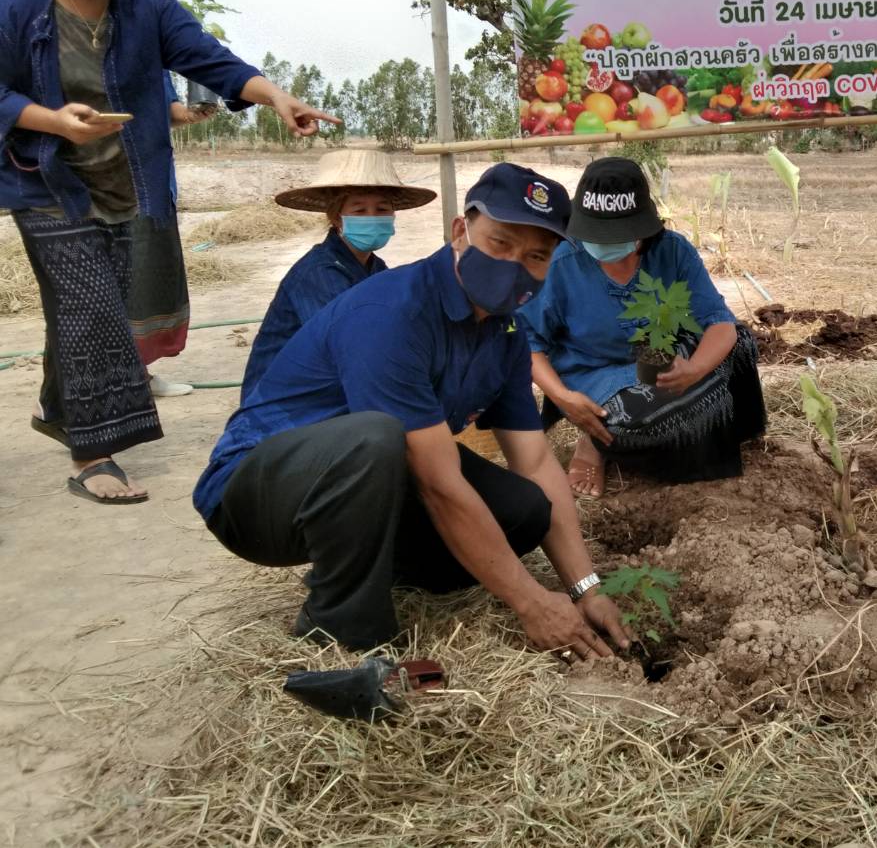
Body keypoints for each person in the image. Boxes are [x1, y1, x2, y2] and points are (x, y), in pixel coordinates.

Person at [0, 0, 338, 505]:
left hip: (130, 183)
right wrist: (51, 120)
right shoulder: (14, 10)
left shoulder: (148, 7)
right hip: (48, 183)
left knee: (90, 305)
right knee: (90, 307)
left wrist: (274, 95)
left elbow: (209, 58)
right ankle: (93, 455)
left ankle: (56, 404)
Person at [193, 163, 629, 657]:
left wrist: (586, 589)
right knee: (379, 438)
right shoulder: (391, 314)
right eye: (500, 243)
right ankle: (338, 633)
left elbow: (534, 461)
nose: (514, 265)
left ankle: (380, 568)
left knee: (524, 510)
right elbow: (437, 484)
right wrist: (530, 603)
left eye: (536, 256)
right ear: (460, 231)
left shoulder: (505, 333)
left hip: (365, 482)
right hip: (257, 495)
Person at [517, 157, 765, 497]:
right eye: (596, 234)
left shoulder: (672, 252)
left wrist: (694, 369)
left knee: (741, 346)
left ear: (643, 228)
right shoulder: (562, 262)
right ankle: (593, 443)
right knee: (623, 421)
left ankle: (719, 430)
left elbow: (719, 323)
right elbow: (527, 342)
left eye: (617, 235)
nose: (605, 244)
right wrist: (563, 398)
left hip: (656, 359)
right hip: (593, 374)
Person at [240, 149, 436, 401]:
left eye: (381, 209)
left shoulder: (376, 268)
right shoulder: (318, 273)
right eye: (360, 211)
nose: (372, 218)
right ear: (336, 218)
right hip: (284, 401)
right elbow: (347, 346)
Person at [126, 74, 212, 400]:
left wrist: (190, 114)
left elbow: (165, 112)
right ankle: (65, 397)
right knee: (108, 290)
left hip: (153, 187)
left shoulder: (153, 56)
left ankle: (137, 375)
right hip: (112, 186)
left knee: (145, 286)